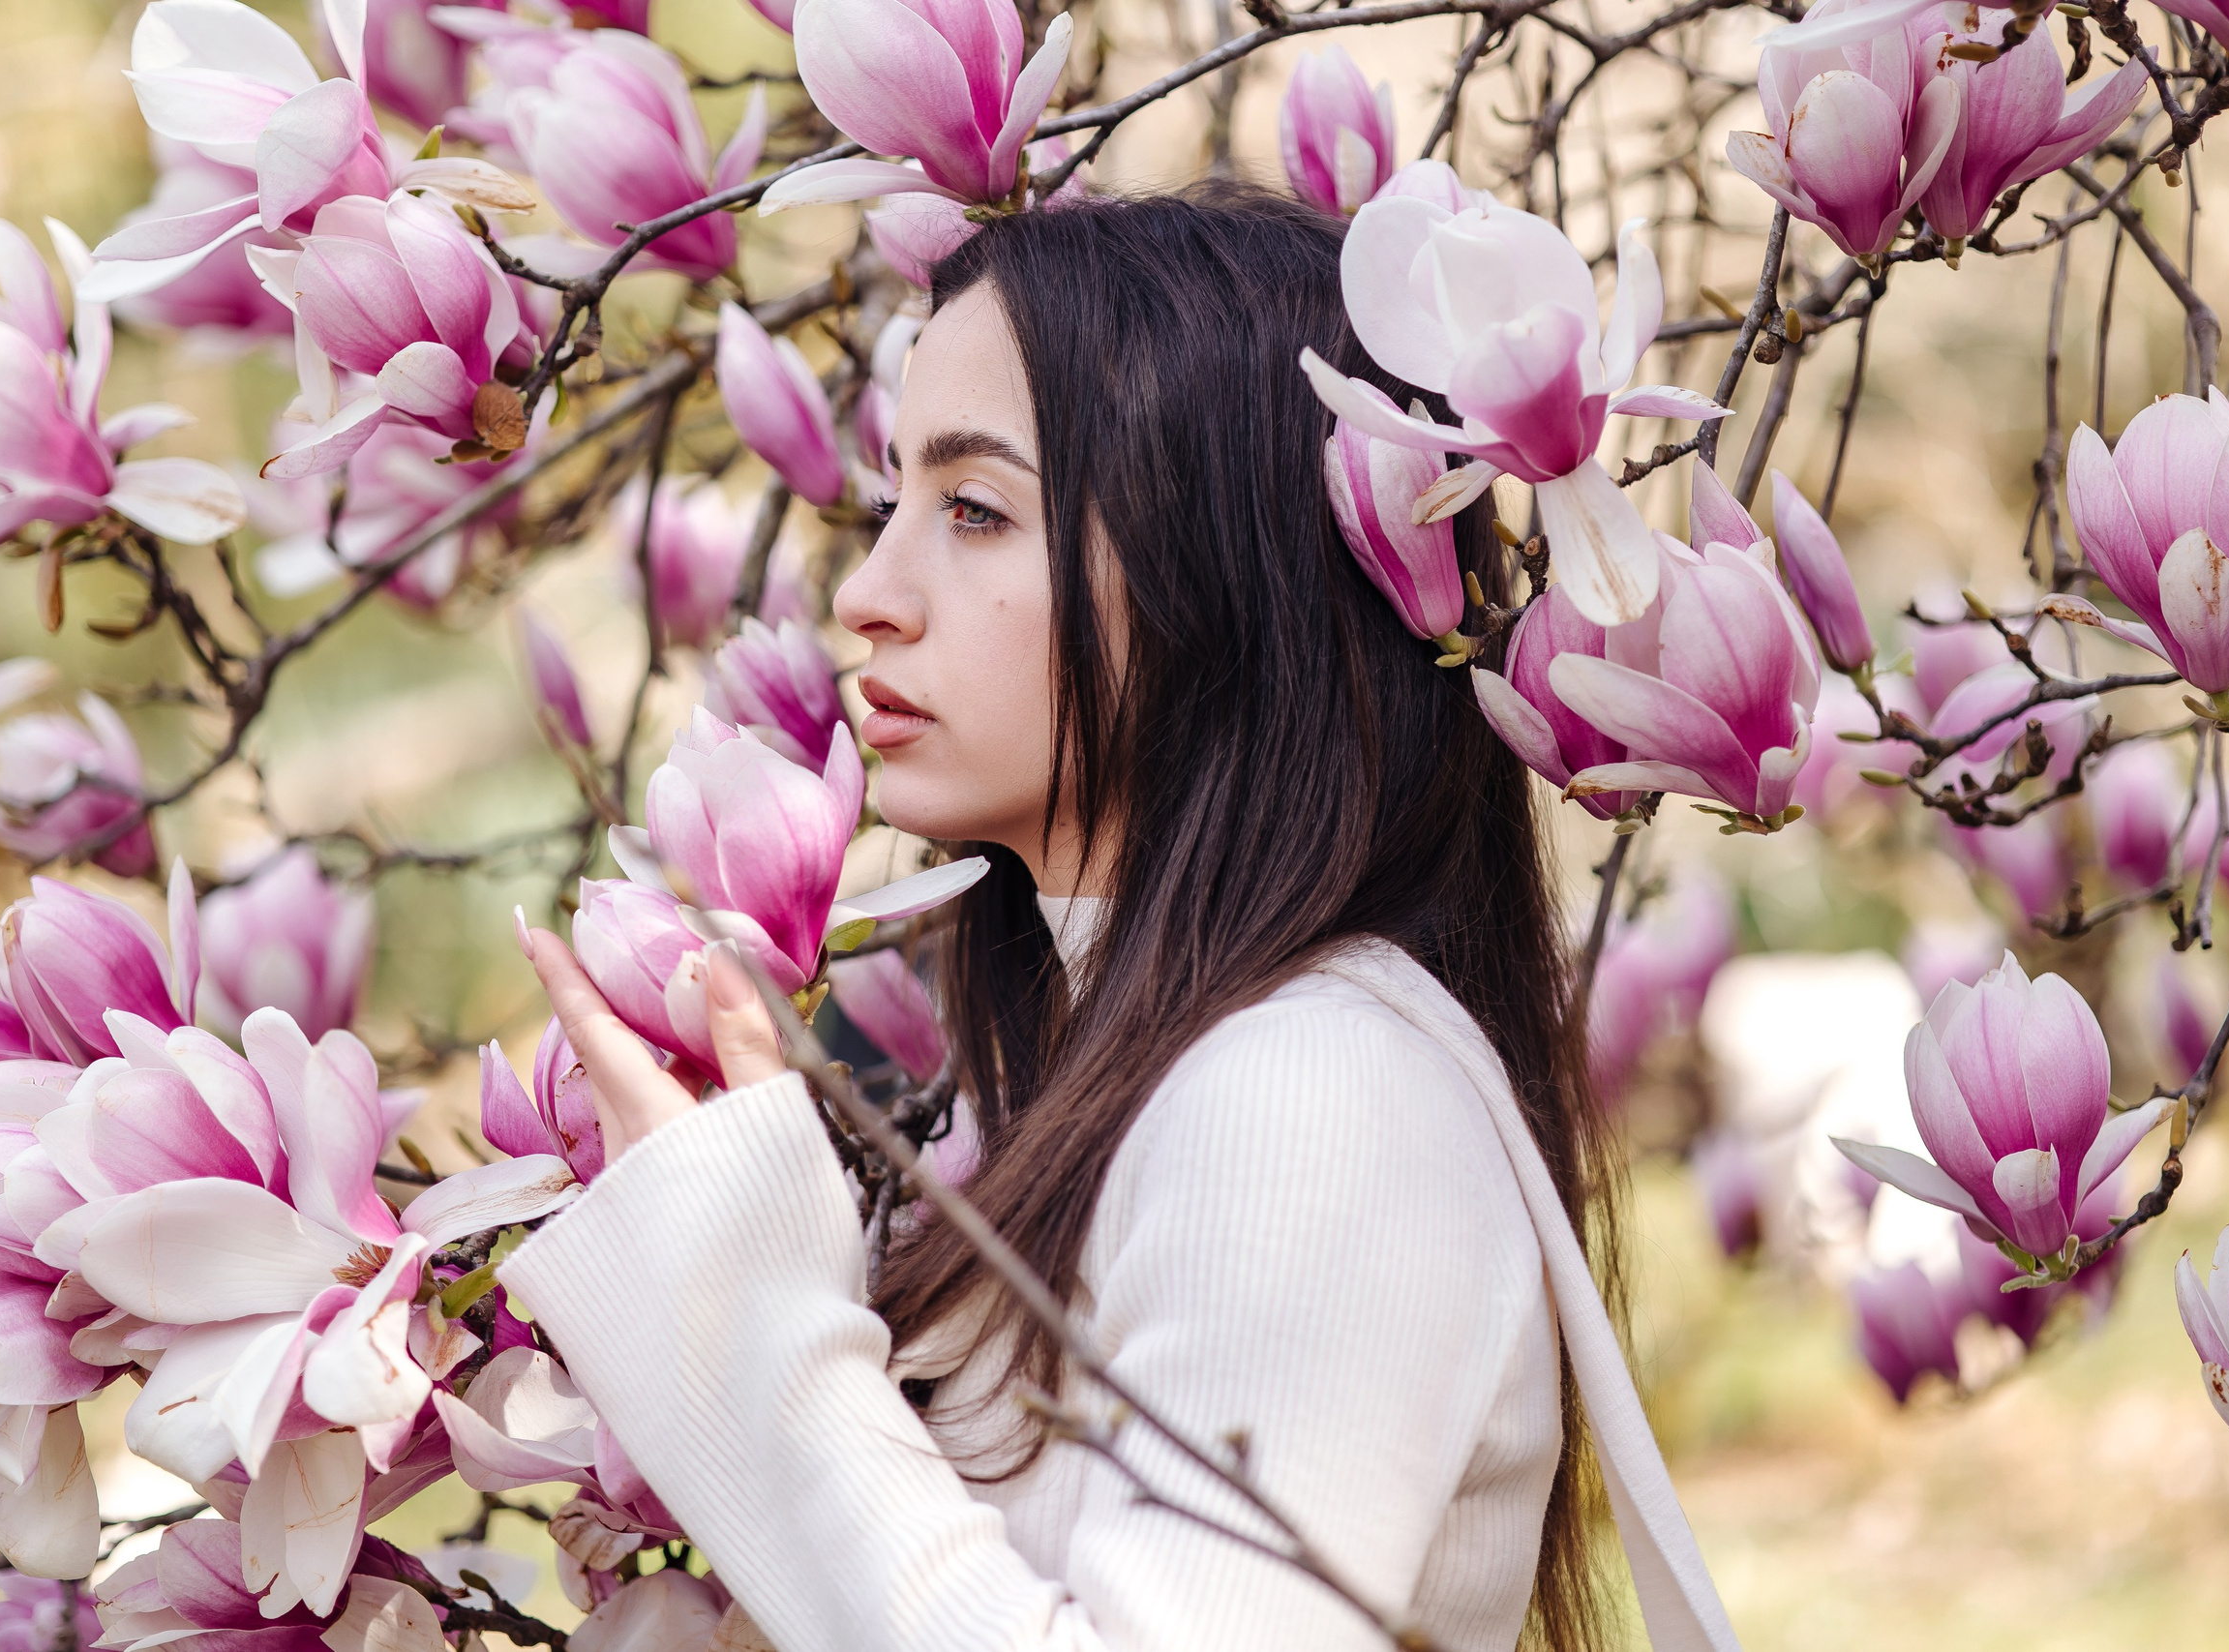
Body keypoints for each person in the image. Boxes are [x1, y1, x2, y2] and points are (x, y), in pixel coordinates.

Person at [503, 185, 1737, 1652]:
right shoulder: (1115, 1074)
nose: (870, 592)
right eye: (893, 500)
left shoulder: (1316, 1094)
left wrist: (751, 1293)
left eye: (974, 509)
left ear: (1223, 571)